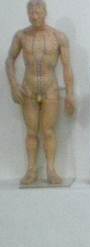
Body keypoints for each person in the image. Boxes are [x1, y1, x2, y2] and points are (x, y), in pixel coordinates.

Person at [5, 0, 75, 185]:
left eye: (37, 12)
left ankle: (51, 169)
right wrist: (13, 85)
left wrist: (70, 94)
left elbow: (67, 67)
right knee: (31, 132)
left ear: (45, 13)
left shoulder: (58, 37)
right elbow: (9, 60)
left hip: (50, 89)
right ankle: (31, 170)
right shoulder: (21, 36)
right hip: (28, 89)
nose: (34, 16)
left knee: (49, 131)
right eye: (31, 13)